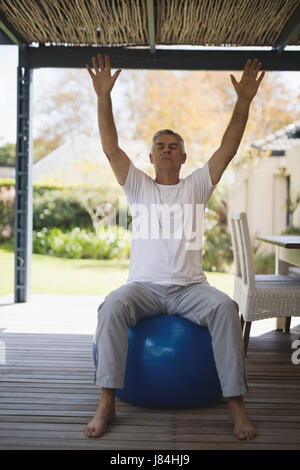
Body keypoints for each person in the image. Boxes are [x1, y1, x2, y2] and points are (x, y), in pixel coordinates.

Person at [84, 54, 265, 440]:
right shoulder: (139, 186)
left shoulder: (196, 186)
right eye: (160, 146)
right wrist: (103, 97)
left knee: (226, 307)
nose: (166, 150)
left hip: (190, 290)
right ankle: (106, 404)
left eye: (173, 146)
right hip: (144, 290)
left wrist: (244, 102)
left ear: (183, 157)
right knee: (112, 304)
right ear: (150, 158)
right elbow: (111, 148)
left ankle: (236, 406)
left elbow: (228, 148)